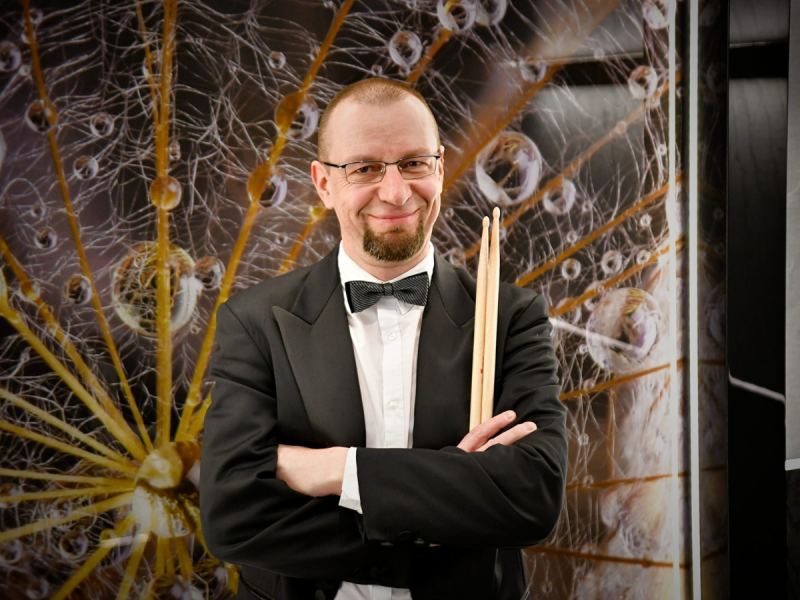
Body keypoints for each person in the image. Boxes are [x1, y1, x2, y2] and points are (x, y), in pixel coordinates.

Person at [199, 78, 568, 600]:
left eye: (414, 163)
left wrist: (337, 470)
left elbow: (534, 498)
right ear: (324, 183)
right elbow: (231, 517)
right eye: (365, 168)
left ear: (440, 169)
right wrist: (442, 520)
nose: (395, 192)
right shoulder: (255, 321)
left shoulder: (513, 317)